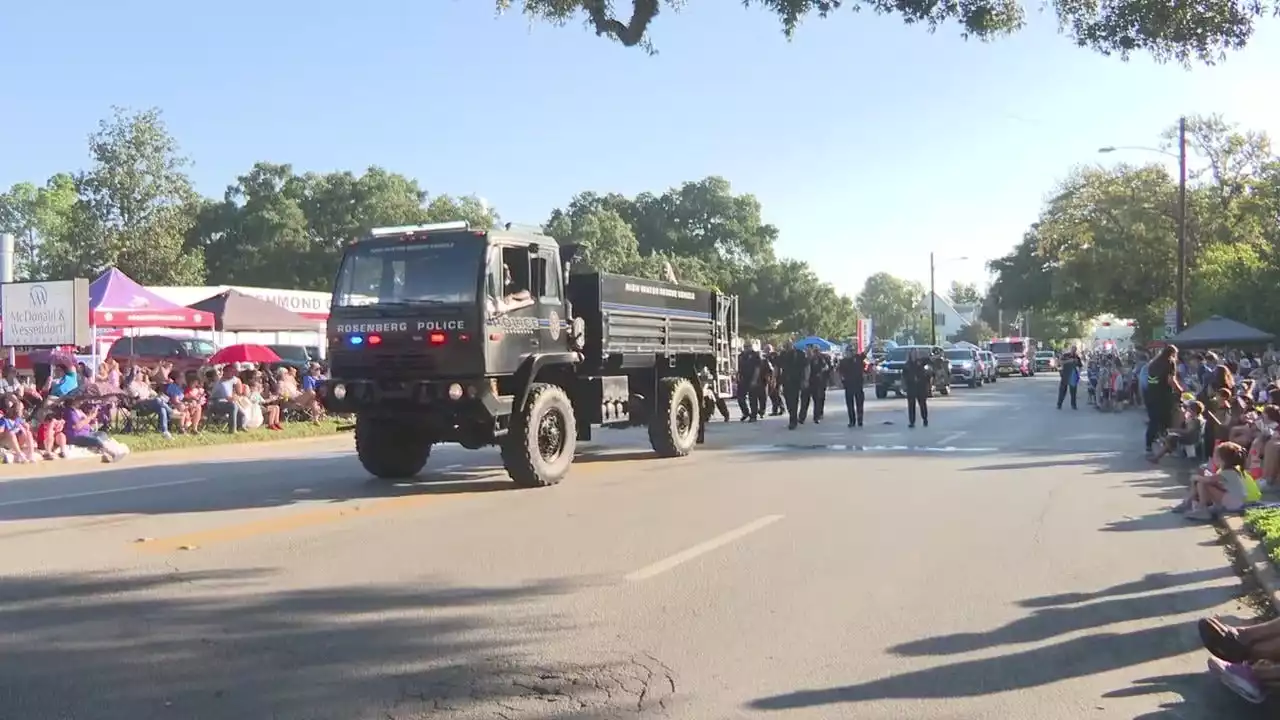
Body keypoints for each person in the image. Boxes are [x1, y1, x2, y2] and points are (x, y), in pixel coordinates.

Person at [1145, 345, 1183, 455]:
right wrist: (1180, 389)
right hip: (1163, 395)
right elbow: (1171, 380)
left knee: (1153, 420)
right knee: (1167, 421)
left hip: (1150, 394)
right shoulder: (1170, 363)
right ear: (1172, 354)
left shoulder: (1153, 363)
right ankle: (1168, 446)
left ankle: (1149, 444)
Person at [778, 340, 809, 430]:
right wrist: (775, 379)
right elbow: (778, 367)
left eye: (788, 345)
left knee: (794, 400)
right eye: (785, 345)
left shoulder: (799, 354)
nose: (787, 347)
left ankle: (793, 421)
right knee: (788, 401)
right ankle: (792, 415)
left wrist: (806, 379)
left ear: (792, 345)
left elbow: (806, 367)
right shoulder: (782, 355)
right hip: (785, 381)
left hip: (796, 380)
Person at [800, 346, 832, 424]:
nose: (811, 353)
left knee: (817, 400)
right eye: (808, 352)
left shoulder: (820, 359)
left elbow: (826, 367)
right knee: (804, 401)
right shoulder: (804, 360)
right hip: (807, 383)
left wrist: (822, 371)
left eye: (813, 351)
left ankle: (816, 417)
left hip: (816, 382)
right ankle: (801, 418)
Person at [838, 347, 867, 428]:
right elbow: (840, 372)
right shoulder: (843, 361)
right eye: (850, 351)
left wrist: (871, 343)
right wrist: (840, 382)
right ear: (846, 352)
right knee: (850, 405)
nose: (851, 352)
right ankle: (852, 421)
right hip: (848, 385)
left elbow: (865, 352)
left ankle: (860, 419)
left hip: (858, 385)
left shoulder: (858, 358)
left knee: (860, 404)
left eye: (853, 351)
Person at [736, 341, 763, 422]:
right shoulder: (741, 356)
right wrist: (738, 377)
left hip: (752, 378)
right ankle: (745, 412)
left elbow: (757, 368)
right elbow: (739, 368)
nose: (746, 348)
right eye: (745, 346)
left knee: (753, 398)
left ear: (751, 347)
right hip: (743, 378)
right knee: (740, 397)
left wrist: (754, 380)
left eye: (748, 346)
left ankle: (753, 415)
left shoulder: (755, 355)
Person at [903, 349, 930, 429]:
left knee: (922, 404)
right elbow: (904, 376)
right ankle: (912, 421)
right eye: (912, 354)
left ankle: (925, 419)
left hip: (920, 386)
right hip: (911, 387)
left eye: (915, 354)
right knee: (911, 405)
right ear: (910, 355)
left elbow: (928, 360)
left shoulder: (920, 362)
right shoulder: (907, 365)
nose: (914, 355)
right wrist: (904, 385)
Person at [1057, 345, 1082, 410]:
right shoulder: (1065, 355)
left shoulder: (1077, 357)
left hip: (1073, 375)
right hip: (1065, 375)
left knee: (1073, 392)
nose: (1073, 351)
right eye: (1072, 349)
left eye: (1075, 350)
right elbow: (1060, 362)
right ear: (1071, 349)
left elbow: (1080, 366)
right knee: (1062, 390)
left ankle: (1073, 405)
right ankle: (1059, 404)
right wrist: (1069, 361)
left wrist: (1079, 374)